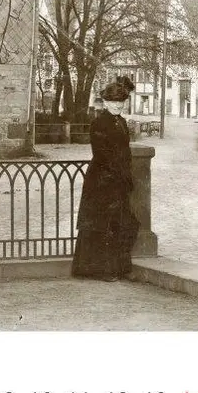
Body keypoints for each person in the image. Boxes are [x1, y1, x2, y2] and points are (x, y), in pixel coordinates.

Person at [72, 77, 140, 280]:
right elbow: (102, 154)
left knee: (121, 224)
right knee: (103, 225)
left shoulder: (121, 122)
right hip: (102, 181)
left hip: (118, 180)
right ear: (106, 102)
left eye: (121, 101)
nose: (118, 105)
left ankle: (118, 268)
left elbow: (124, 152)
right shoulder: (99, 123)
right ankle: (100, 270)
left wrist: (125, 176)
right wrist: (117, 175)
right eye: (113, 101)